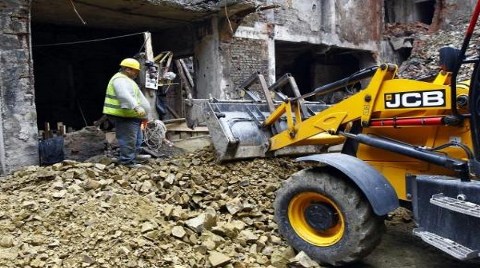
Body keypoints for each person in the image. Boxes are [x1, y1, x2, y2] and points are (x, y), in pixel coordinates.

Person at [103, 58, 151, 167]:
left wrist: (145, 115)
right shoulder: (119, 80)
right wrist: (136, 107)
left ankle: (132, 156)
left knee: (137, 139)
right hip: (124, 116)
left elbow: (137, 97)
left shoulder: (127, 80)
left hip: (132, 116)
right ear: (128, 69)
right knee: (129, 139)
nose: (137, 73)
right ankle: (127, 161)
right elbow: (123, 95)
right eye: (136, 71)